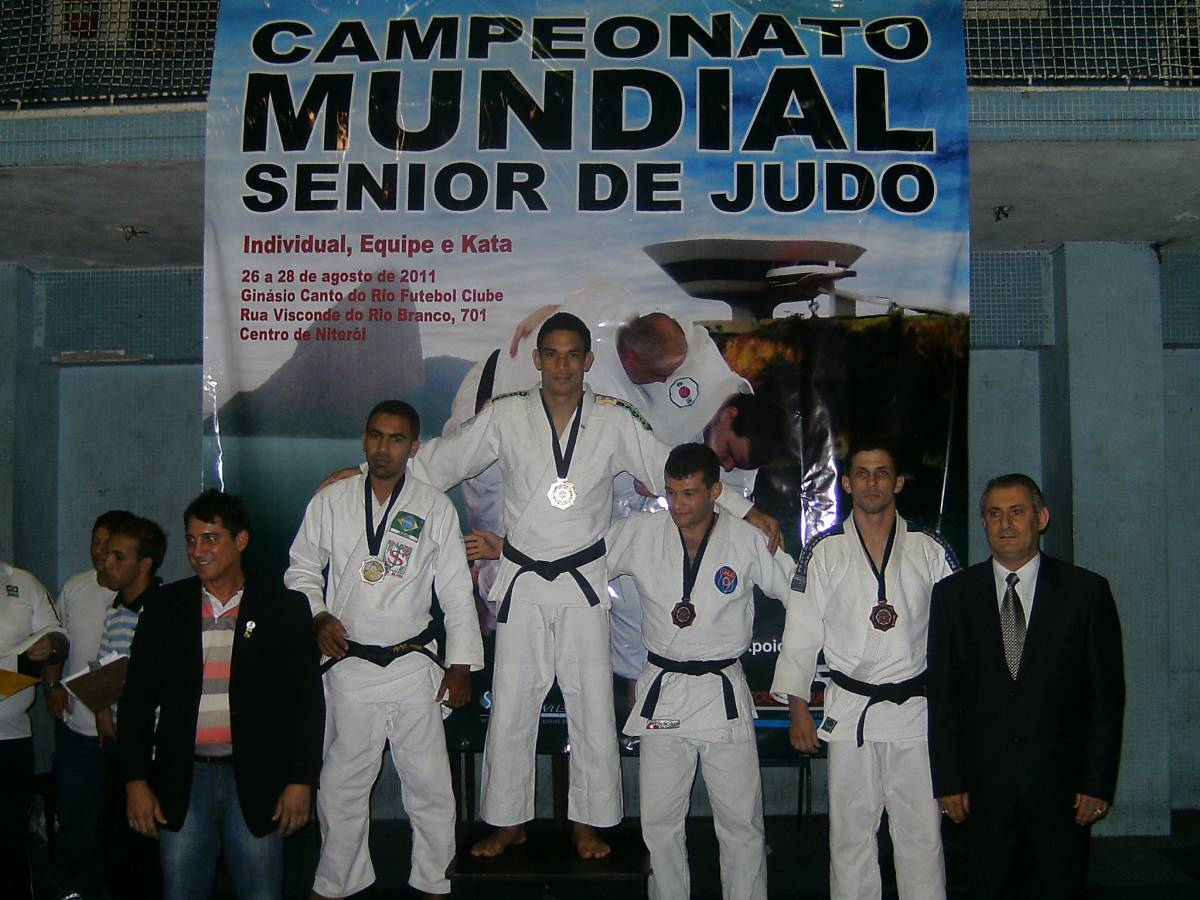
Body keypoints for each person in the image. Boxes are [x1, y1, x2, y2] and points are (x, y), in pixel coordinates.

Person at [407, 311, 778, 859]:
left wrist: (746, 511)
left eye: (572, 355)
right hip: (523, 583)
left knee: (592, 708)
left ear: (588, 360)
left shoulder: (614, 419)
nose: (562, 365)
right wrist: (368, 477)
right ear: (537, 360)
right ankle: (508, 821)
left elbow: (672, 470)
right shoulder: (504, 415)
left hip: (583, 582)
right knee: (511, 706)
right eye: (552, 354)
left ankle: (590, 821)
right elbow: (442, 463)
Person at [286, 400, 484, 900]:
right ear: (364, 439)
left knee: (430, 785)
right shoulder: (331, 501)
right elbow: (301, 570)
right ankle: (337, 881)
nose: (383, 448)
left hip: (413, 662)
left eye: (396, 439)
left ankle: (436, 881)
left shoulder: (434, 506)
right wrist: (318, 615)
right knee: (341, 785)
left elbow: (456, 592)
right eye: (375, 436)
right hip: (349, 662)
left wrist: (460, 665)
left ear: (414, 447)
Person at [605, 443, 794, 900]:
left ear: (716, 491)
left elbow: (800, 595)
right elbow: (576, 562)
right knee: (659, 824)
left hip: (720, 693)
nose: (678, 504)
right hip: (664, 692)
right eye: (671, 492)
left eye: (689, 493)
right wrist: (509, 552)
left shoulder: (747, 539)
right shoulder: (639, 532)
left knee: (741, 823)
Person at [772, 442, 959, 900]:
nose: (872, 482)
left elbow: (957, 633)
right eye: (862, 473)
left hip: (915, 712)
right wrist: (798, 708)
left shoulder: (930, 548)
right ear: (847, 483)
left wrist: (956, 712)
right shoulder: (823, 550)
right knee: (850, 835)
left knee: (921, 834)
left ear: (898, 483)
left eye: (882, 473)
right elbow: (801, 632)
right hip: (850, 709)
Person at [927, 473, 1125, 899]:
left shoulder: (1086, 593)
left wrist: (1097, 783)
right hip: (982, 790)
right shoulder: (952, 596)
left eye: (1017, 512)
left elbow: (1105, 700)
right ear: (984, 522)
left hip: (1062, 790)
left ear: (1042, 518)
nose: (1006, 524)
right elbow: (943, 698)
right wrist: (948, 781)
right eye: (994, 514)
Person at [119, 491, 325, 900]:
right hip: (184, 779)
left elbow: (307, 704)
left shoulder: (282, 607)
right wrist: (135, 780)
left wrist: (301, 780)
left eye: (211, 539)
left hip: (257, 779)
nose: (198, 551)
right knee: (181, 891)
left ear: (240, 540)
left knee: (261, 892)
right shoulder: (165, 607)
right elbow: (136, 700)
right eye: (191, 540)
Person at [45, 513, 164, 899]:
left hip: (149, 745)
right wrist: (99, 709)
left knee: (143, 839)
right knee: (104, 827)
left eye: (116, 554)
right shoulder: (114, 607)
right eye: (100, 548)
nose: (104, 560)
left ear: (142, 563)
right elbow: (102, 662)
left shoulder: (163, 608)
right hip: (105, 735)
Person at [1, 560, 66, 900]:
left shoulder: (23, 582)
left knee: (10, 836)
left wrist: (50, 645)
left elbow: (59, 638)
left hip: (11, 738)